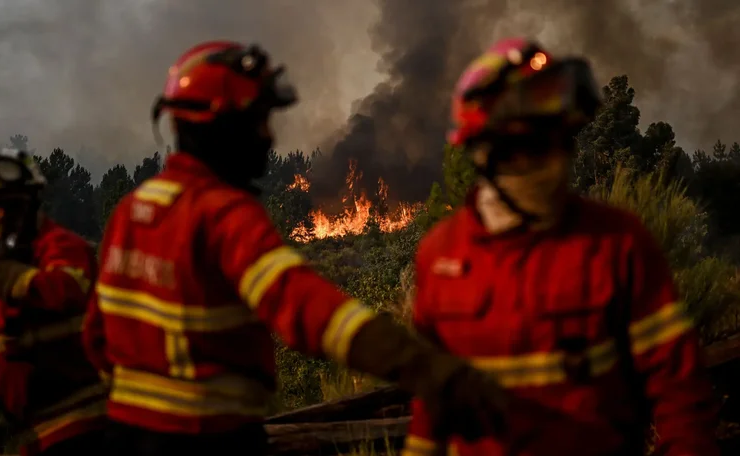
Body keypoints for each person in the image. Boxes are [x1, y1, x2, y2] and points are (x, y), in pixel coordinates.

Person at [82, 40, 506, 456]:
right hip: (207, 439)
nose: (268, 136)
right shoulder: (222, 215)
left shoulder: (131, 211)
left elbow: (96, 338)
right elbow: (304, 307)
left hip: (124, 435)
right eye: (259, 120)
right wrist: (424, 367)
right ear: (224, 127)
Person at [400, 37, 720, 456]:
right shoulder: (440, 255)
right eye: (531, 147)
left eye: (560, 142)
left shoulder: (617, 243)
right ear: (485, 154)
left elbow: (680, 394)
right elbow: (432, 403)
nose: (553, 163)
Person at [0, 145, 107, 456]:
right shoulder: (6, 261)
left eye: (10, 206)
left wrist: (15, 278)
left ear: (31, 202)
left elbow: (69, 287)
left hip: (80, 429)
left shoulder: (60, 246)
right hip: (36, 434)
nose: (0, 216)